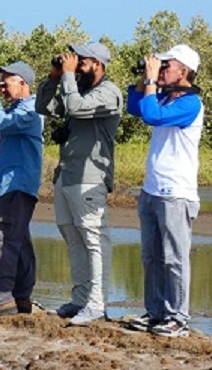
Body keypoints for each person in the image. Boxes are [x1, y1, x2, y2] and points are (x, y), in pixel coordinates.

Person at [35, 42, 123, 324]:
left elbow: (75, 106)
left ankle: (96, 305)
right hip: (67, 175)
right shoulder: (78, 87)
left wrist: (68, 77)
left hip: (90, 178)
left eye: (82, 60)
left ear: (98, 63)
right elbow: (44, 106)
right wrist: (53, 77)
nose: (76, 63)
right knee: (73, 239)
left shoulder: (109, 93)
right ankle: (80, 299)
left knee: (94, 241)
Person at [126, 44, 203, 337]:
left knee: (174, 257)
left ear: (184, 72)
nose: (162, 69)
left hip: (176, 193)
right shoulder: (163, 97)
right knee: (151, 257)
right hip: (152, 189)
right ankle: (156, 312)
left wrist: (149, 80)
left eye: (167, 65)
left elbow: (151, 117)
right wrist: (143, 79)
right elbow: (135, 105)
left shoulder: (191, 104)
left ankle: (178, 317)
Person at [0, 61, 44, 319]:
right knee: (19, 239)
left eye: (7, 81)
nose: (2, 86)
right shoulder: (13, 108)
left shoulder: (32, 110)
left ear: (23, 83)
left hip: (18, 182)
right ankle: (22, 296)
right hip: (10, 183)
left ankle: (1, 297)